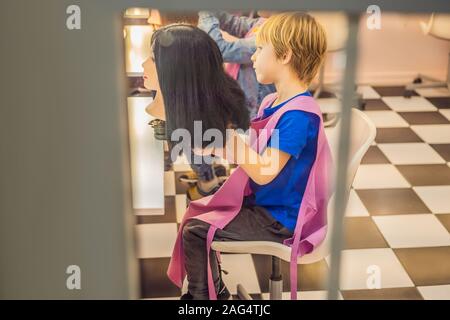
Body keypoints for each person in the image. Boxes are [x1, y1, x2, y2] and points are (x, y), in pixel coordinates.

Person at [168, 12, 333, 300]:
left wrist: (234, 144)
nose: (253, 57)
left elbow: (265, 170)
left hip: (281, 218)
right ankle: (210, 292)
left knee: (194, 230)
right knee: (199, 212)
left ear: (285, 55)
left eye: (259, 48)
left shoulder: (297, 115)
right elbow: (259, 152)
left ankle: (205, 298)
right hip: (268, 202)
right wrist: (216, 146)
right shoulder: (274, 101)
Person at [198, 11, 276, 119]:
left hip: (253, 112)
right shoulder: (263, 22)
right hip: (242, 103)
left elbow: (220, 50)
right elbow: (235, 23)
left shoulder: (274, 34)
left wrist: (205, 13)